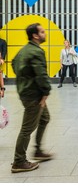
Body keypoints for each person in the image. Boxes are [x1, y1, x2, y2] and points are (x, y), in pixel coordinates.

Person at [11, 23, 53, 173]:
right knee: (27, 129)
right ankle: (19, 161)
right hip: (34, 95)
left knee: (45, 118)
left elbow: (14, 65)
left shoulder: (24, 50)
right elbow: (41, 74)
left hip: (27, 92)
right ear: (35, 35)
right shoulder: (36, 51)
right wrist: (46, 91)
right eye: (42, 32)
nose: (45, 33)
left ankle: (38, 151)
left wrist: (25, 78)